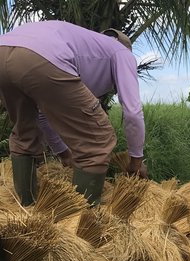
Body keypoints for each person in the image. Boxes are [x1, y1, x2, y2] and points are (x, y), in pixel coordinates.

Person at [0, 20, 148, 206]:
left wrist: (64, 154)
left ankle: (26, 207)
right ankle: (80, 224)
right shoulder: (122, 52)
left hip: (3, 51)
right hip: (42, 55)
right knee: (97, 139)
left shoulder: (87, 47)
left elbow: (44, 115)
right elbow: (133, 112)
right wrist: (136, 160)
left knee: (24, 133)